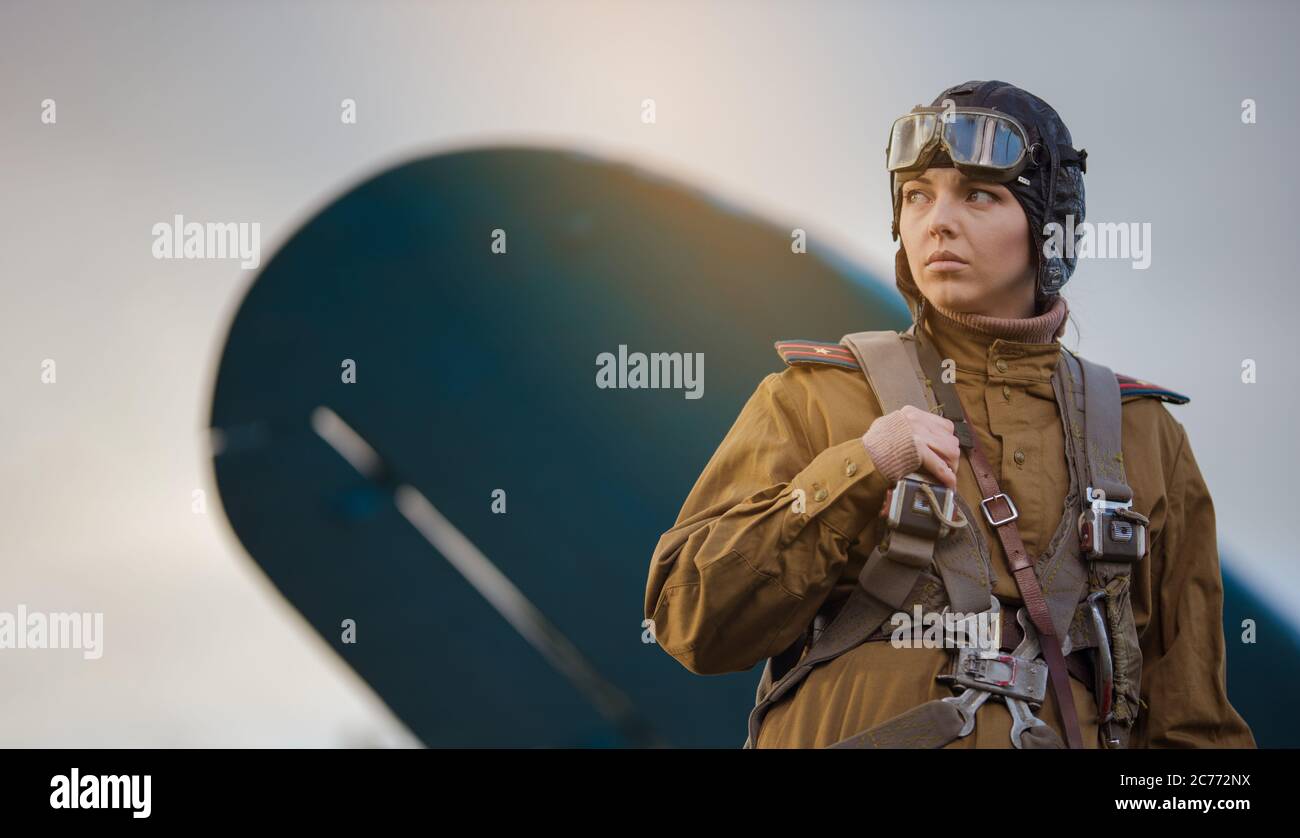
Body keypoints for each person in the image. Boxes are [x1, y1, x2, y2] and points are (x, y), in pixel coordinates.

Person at [642, 80, 1256, 749]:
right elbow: (691, 619)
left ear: (1050, 227)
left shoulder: (1146, 436)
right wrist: (859, 468)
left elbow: (1196, 728)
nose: (937, 220)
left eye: (979, 195)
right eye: (917, 196)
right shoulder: (817, 395)